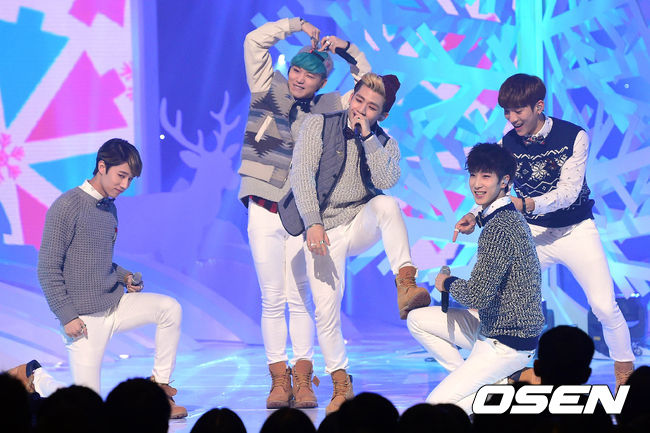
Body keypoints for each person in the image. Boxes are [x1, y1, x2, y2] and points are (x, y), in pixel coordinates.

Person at [454, 73, 635, 389]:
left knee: (604, 306)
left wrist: (525, 204)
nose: (512, 119)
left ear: (538, 106)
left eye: (518, 111)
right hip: (531, 233)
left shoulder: (574, 136)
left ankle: (625, 370)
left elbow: (568, 193)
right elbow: (494, 186)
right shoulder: (508, 142)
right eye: (506, 112)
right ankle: (492, 370)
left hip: (576, 230)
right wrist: (473, 214)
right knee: (486, 297)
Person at [240, 16, 371, 409]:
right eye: (297, 70)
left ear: (322, 81)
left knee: (300, 299)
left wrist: (346, 49)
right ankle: (278, 380)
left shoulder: (328, 107)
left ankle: (303, 379)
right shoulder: (266, 86)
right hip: (263, 208)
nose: (299, 79)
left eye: (310, 75)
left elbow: (368, 85)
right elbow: (254, 41)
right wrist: (296, 25)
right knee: (271, 297)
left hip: (301, 213)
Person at [285, 72, 430, 414]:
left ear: (383, 114)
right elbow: (301, 175)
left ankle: (406, 283)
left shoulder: (384, 142)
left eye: (372, 107)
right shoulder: (318, 124)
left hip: (358, 221)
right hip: (324, 228)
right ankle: (340, 382)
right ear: (351, 96)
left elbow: (387, 179)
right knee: (326, 309)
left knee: (387, 205)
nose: (361, 110)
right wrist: (313, 223)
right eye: (359, 100)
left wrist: (367, 138)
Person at [37, 138, 186, 418]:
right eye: (122, 175)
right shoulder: (67, 205)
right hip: (83, 319)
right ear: (102, 166)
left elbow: (97, 260)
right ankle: (37, 379)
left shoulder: (109, 208)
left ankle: (161, 390)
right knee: (87, 409)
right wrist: (67, 316)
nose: (125, 185)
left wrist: (125, 276)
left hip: (114, 304)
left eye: (131, 179)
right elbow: (47, 267)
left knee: (170, 308)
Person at [407, 143, 544, 414]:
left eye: (486, 176)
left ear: (504, 181)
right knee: (417, 320)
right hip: (492, 327)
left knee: (436, 409)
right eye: (473, 175)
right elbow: (490, 214)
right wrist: (475, 217)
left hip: (507, 343)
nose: (477, 184)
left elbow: (477, 296)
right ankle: (479, 377)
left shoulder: (499, 228)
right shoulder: (503, 217)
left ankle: (508, 386)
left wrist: (446, 283)